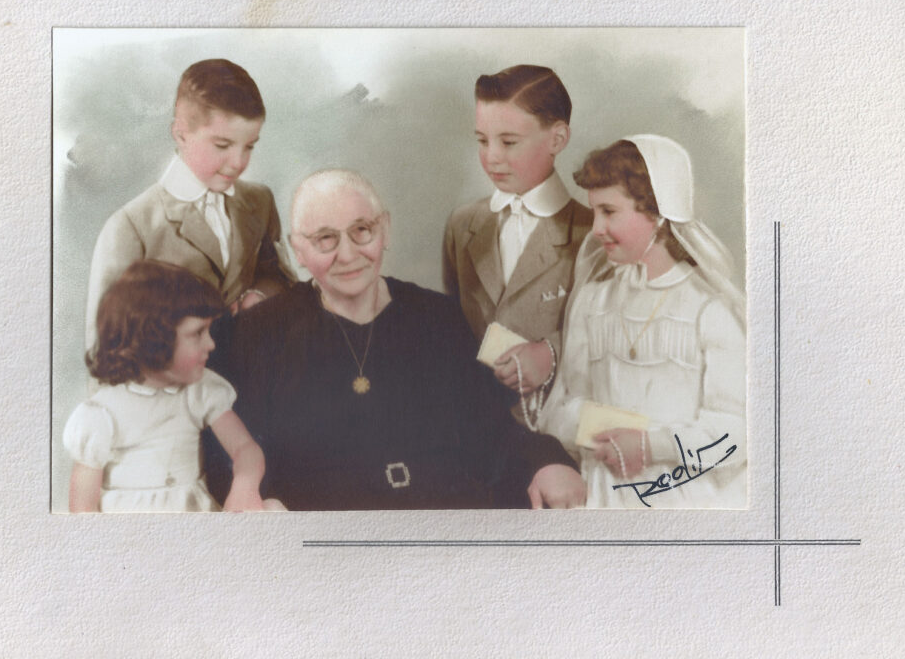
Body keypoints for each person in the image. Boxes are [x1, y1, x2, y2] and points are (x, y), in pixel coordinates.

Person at [205, 169, 585, 510]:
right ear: (298, 250)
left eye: (361, 231)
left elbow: (490, 430)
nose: (348, 254)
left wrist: (545, 462)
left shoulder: (438, 318)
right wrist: (262, 500)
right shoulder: (258, 333)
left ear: (384, 230)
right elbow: (225, 450)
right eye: (325, 239)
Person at [538, 135, 746, 508]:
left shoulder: (709, 309)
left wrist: (652, 445)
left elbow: (739, 434)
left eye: (609, 211)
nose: (596, 228)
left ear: (659, 214)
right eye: (594, 212)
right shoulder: (593, 301)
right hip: (603, 497)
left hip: (685, 500)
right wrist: (607, 433)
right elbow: (562, 409)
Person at [84, 58, 295, 352]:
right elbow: (104, 351)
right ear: (181, 134)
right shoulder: (131, 227)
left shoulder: (259, 201)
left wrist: (258, 295)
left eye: (249, 146)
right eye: (222, 145)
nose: (238, 162)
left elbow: (280, 278)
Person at [65, 261, 282, 513]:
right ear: (154, 340)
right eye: (198, 333)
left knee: (272, 509)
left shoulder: (199, 390)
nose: (211, 344)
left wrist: (244, 485)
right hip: (129, 525)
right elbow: (82, 508)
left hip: (193, 515)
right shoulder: (102, 413)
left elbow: (245, 448)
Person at [442, 65, 592, 425]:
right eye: (482, 141)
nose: (492, 156)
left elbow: (613, 333)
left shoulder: (592, 232)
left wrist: (551, 353)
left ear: (557, 139)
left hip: (557, 427)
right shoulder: (463, 224)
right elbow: (453, 326)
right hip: (475, 426)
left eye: (509, 142)